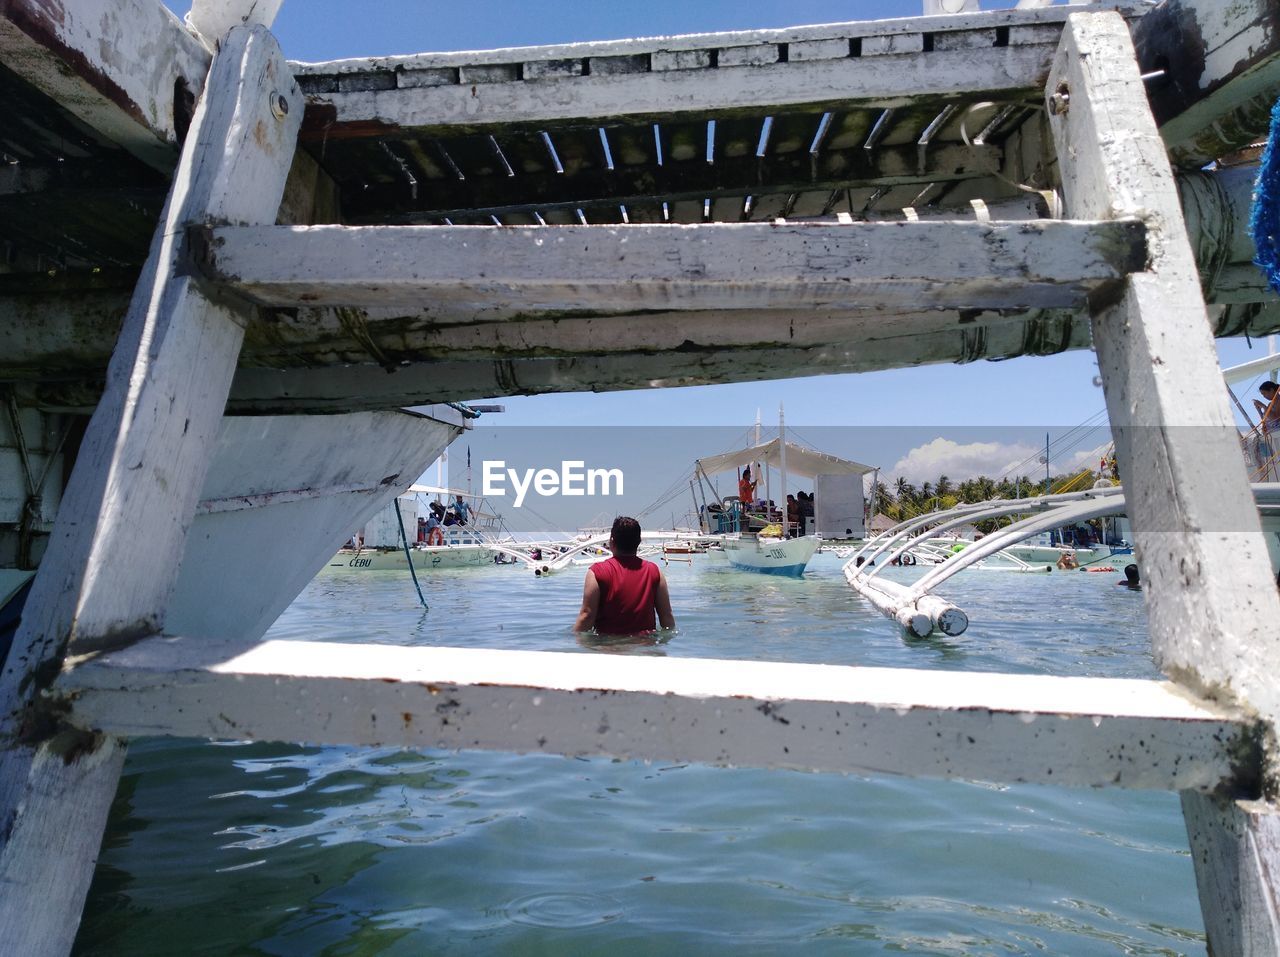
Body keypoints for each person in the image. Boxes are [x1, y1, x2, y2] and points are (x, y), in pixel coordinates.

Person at [574, 516, 675, 636]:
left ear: (612, 540)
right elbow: (666, 616)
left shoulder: (597, 572)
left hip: (610, 648)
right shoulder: (654, 571)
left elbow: (587, 615)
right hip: (646, 647)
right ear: (639, 541)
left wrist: (573, 643)